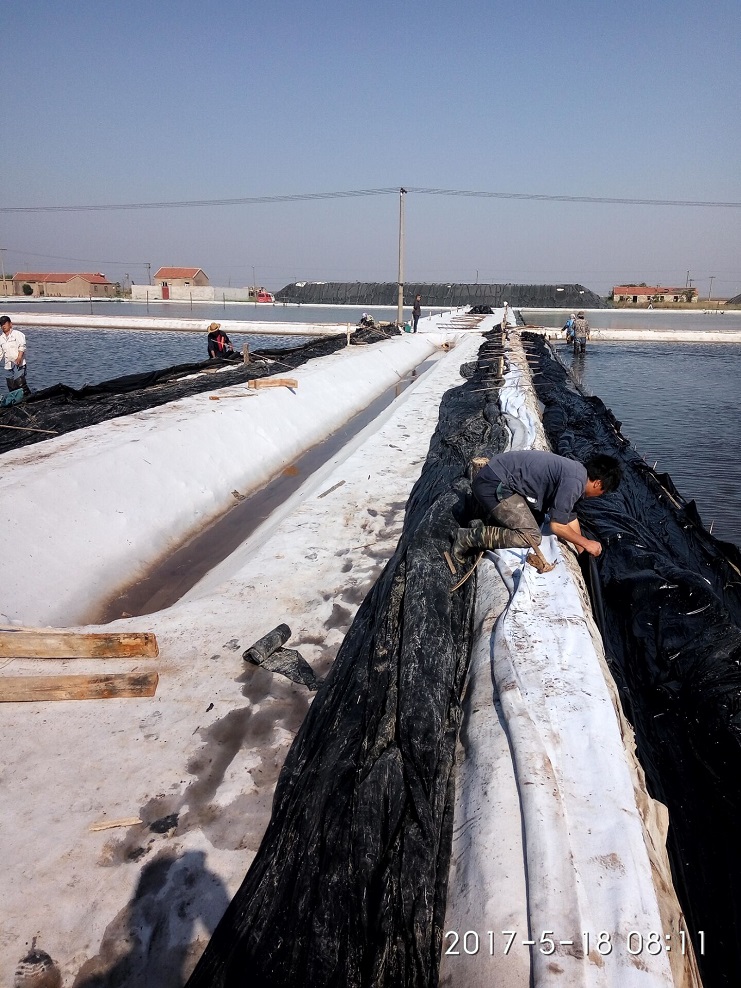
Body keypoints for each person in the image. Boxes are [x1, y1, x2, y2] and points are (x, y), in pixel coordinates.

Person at [451, 449, 622, 569]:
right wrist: (587, 542)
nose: (598, 496)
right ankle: (466, 537)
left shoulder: (577, 472)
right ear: (598, 483)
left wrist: (583, 553)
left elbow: (569, 517)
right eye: (602, 492)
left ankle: (485, 523)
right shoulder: (574, 482)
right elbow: (557, 526)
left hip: (497, 478)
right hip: (493, 484)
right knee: (531, 535)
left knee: (537, 519)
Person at [0, 316, 31, 395]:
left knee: (20, 383)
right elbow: (1, 353)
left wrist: (19, 358)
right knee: (11, 386)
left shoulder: (18, 334)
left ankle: (28, 397)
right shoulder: (1, 338)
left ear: (10, 324)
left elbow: (22, 347)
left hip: (18, 363)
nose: (3, 326)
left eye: (5, 323)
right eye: (1, 324)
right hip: (8, 365)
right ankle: (16, 399)